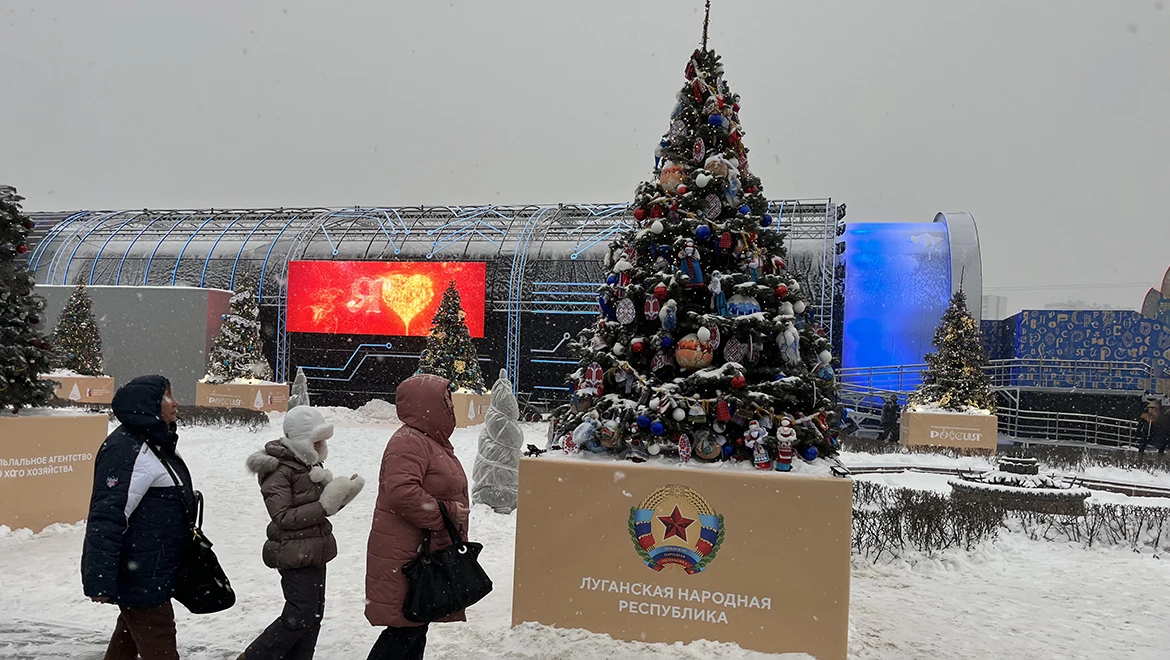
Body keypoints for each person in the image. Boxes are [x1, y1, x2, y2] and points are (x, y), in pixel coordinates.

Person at [239, 407, 365, 660]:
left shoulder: (307, 465)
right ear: (303, 439)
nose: (322, 444)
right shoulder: (279, 470)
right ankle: (254, 657)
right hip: (293, 552)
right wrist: (324, 504)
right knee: (301, 614)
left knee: (313, 615)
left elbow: (319, 510)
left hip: (313, 550)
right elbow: (282, 516)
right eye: (317, 439)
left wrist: (343, 494)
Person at [82, 376, 192, 660]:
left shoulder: (154, 442)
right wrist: (100, 578)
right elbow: (107, 517)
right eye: (167, 397)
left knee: (128, 639)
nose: (175, 402)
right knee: (159, 642)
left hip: (153, 567)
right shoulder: (127, 449)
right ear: (148, 405)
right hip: (141, 572)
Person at [365, 374, 471, 660]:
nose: (451, 405)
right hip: (408, 554)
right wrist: (447, 513)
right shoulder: (409, 441)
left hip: (421, 550)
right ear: (428, 404)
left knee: (416, 623)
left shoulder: (428, 440)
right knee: (406, 628)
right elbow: (400, 493)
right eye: (446, 399)